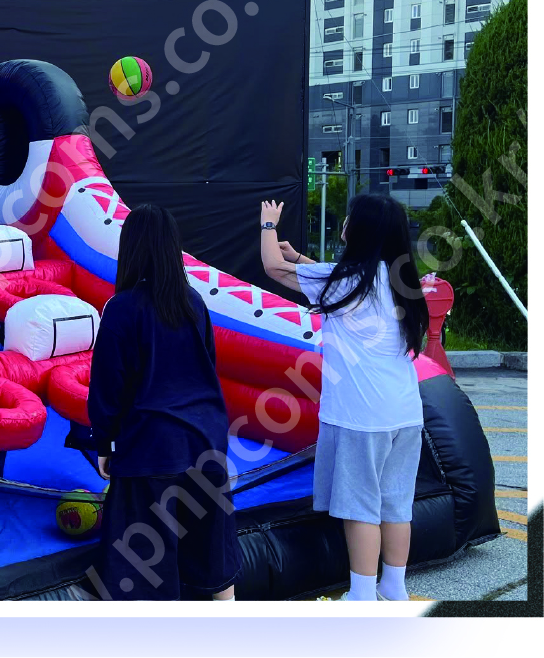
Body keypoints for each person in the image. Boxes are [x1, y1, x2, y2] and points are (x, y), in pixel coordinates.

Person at [258, 194, 429, 601]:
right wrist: (301, 260)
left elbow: (271, 267)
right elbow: (325, 277)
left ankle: (362, 595)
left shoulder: (346, 280)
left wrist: (268, 224)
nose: (346, 222)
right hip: (406, 414)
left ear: (360, 230)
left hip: (360, 417)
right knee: (396, 504)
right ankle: (394, 588)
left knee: (360, 507)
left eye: (351, 217)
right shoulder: (399, 280)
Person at [88, 204, 241, 601]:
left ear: (130, 248)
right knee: (214, 564)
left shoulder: (121, 308)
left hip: (151, 452)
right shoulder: (194, 302)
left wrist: (104, 444)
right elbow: (207, 369)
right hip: (206, 445)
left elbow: (107, 387)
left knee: (144, 576)